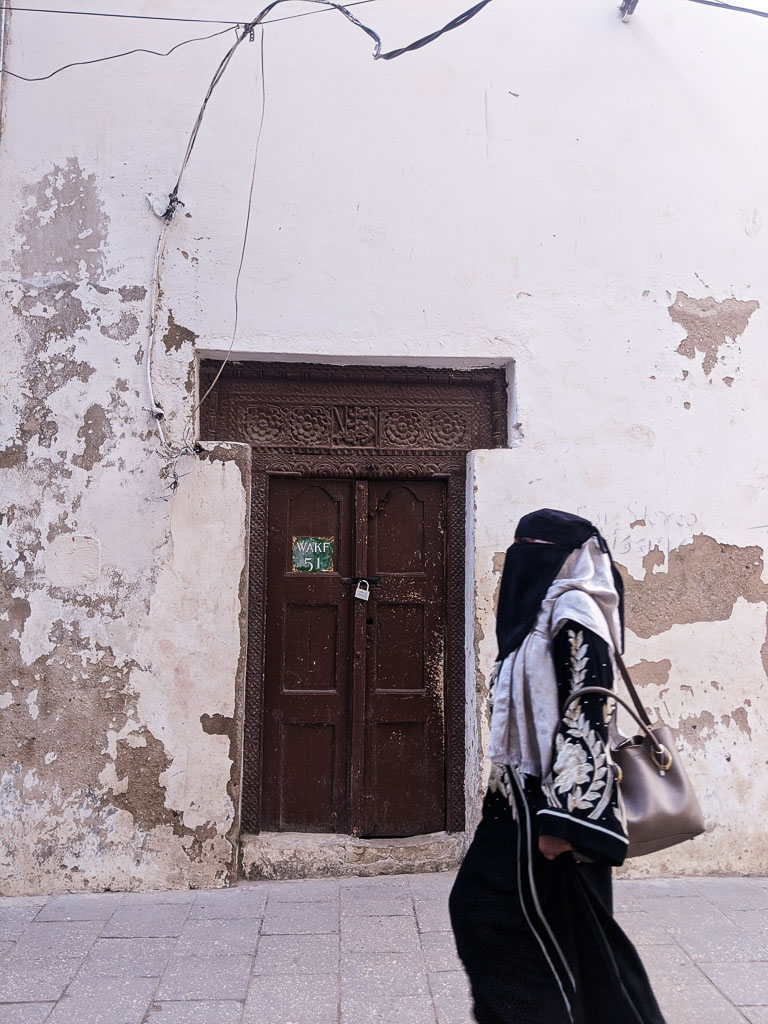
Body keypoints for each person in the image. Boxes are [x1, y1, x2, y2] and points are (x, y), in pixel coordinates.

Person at [449, 509, 666, 1024]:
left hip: (552, 816)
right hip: (515, 806)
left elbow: (586, 713)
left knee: (515, 929)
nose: (518, 558)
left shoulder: (576, 613)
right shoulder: (544, 613)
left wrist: (565, 824)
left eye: (528, 546)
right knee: (558, 939)